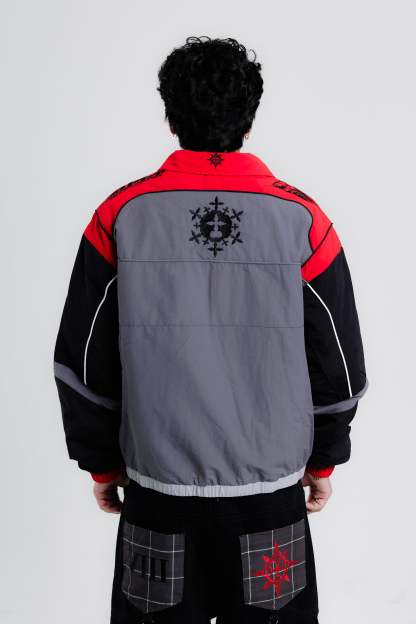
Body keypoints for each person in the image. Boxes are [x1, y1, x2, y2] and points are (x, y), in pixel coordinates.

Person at [53, 36, 368, 624]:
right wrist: (324, 462)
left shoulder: (120, 215)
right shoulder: (304, 221)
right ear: (249, 120)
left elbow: (83, 362)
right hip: (268, 498)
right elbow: (340, 365)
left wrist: (101, 464)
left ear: (170, 118)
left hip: (159, 494)